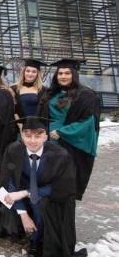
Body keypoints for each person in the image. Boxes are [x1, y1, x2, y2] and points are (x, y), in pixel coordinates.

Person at [0, 116, 87, 257]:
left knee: (40, 203)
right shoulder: (13, 150)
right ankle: (21, 227)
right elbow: (9, 182)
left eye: (38, 136)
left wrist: (25, 193)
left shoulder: (60, 155)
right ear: (22, 135)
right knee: (5, 196)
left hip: (50, 196)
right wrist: (23, 214)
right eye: (28, 136)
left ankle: (36, 240)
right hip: (20, 193)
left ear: (46, 136)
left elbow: (61, 187)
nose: (32, 141)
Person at [37, 58, 99, 201]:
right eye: (60, 73)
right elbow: (40, 115)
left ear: (74, 75)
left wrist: (62, 133)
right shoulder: (51, 93)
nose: (63, 76)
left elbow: (88, 122)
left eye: (67, 73)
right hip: (46, 141)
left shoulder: (86, 95)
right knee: (46, 180)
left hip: (68, 142)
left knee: (64, 182)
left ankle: (62, 217)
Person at [11, 59, 47, 126]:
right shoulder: (14, 89)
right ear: (23, 72)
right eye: (28, 71)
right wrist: (20, 126)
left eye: (34, 72)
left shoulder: (43, 90)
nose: (30, 74)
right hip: (19, 126)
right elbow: (13, 110)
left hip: (38, 126)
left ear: (37, 74)